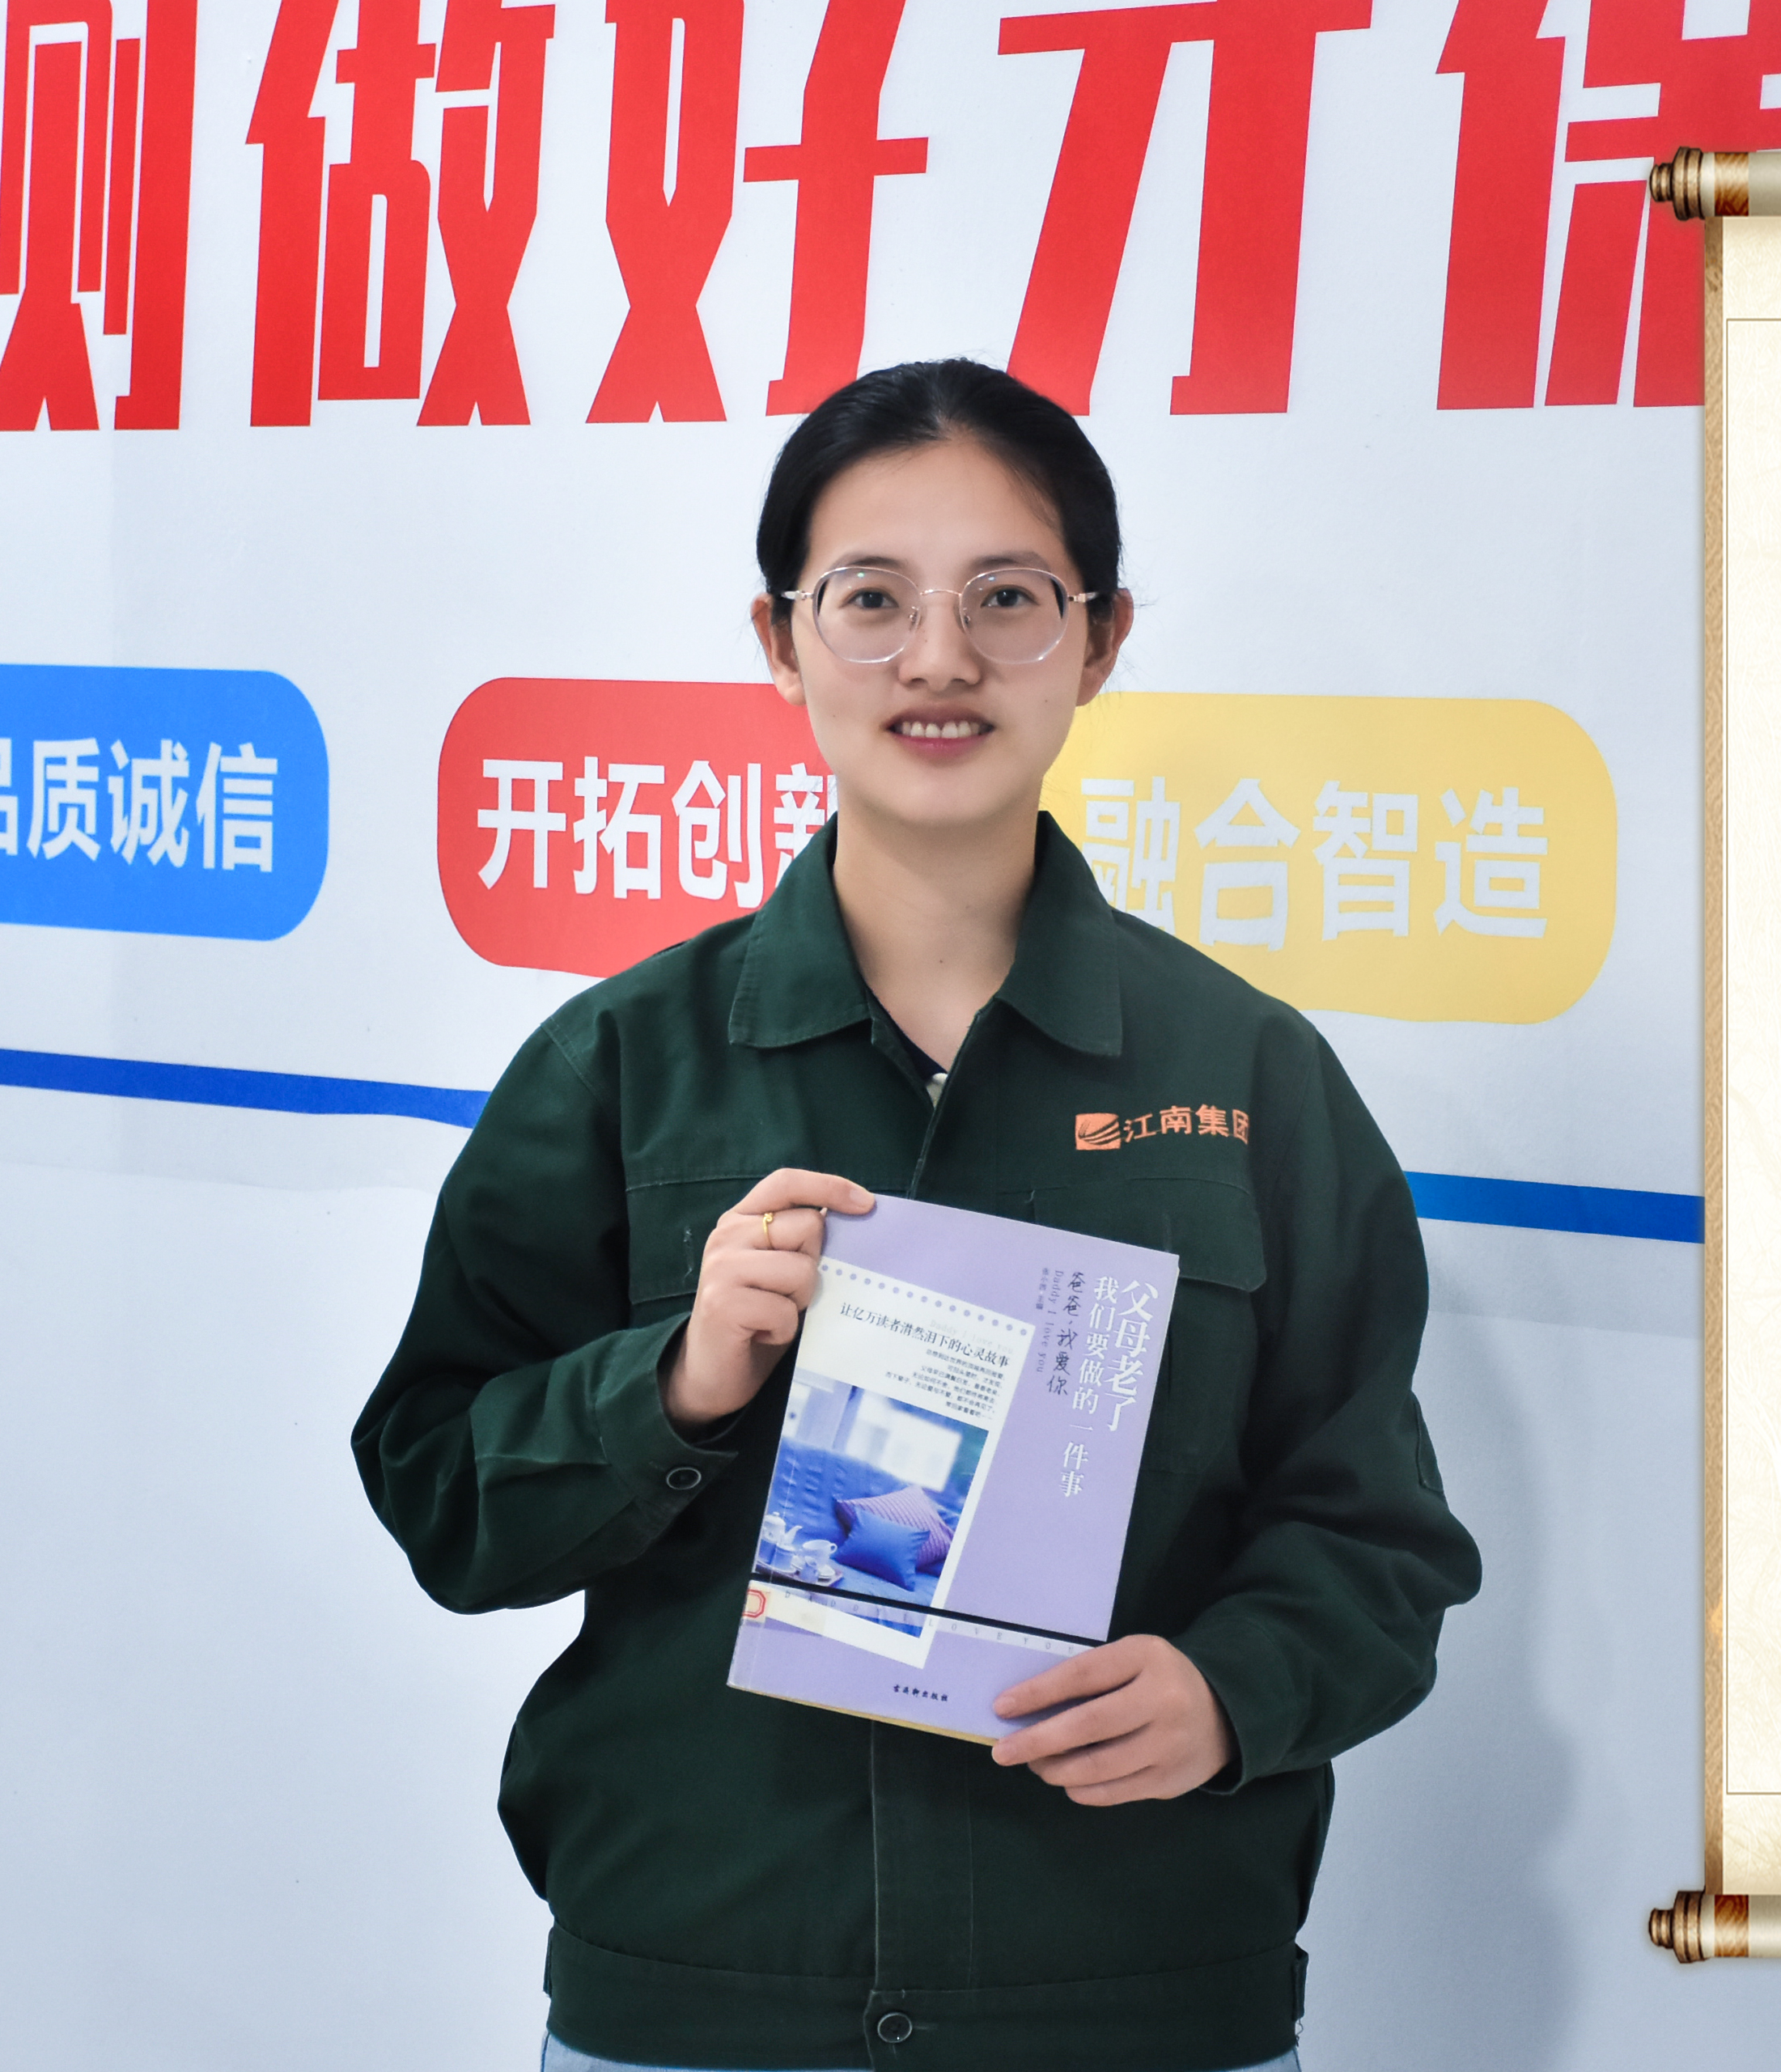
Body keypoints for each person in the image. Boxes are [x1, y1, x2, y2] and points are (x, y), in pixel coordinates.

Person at [354, 359, 1482, 2072]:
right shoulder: (620, 1065)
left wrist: (1231, 1692)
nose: (939, 657)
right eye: (871, 598)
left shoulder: (1249, 1076)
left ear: (1098, 642)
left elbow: (1375, 1529)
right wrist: (676, 1384)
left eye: (1008, 599)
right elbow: (442, 1492)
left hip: (1130, 1994)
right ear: (780, 638)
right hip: (704, 1998)